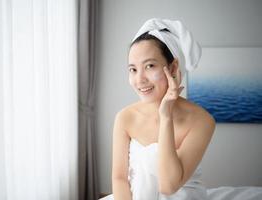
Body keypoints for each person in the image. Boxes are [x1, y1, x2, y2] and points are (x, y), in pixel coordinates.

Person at [99, 18, 262, 200]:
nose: (140, 79)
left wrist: (166, 116)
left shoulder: (202, 120)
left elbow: (169, 186)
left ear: (173, 67)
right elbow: (119, 178)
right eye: (133, 69)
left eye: (149, 66)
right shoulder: (125, 117)